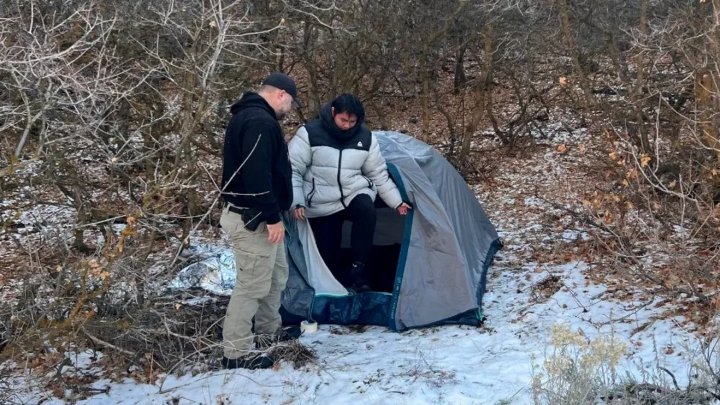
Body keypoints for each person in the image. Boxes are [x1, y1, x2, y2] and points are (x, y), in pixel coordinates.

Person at [219, 72, 302, 370]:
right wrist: (271, 216)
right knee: (252, 285)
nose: (289, 109)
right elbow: (256, 177)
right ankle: (235, 353)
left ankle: (268, 333)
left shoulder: (254, 117)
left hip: (263, 217)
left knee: (276, 276)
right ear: (280, 94)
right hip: (253, 219)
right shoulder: (259, 122)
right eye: (290, 102)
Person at [288, 94, 411, 292]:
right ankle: (335, 280)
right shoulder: (309, 134)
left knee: (366, 210)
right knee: (328, 248)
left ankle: (358, 267)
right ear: (333, 113)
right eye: (343, 120)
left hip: (353, 192)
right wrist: (297, 201)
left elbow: (377, 173)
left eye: (352, 122)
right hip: (321, 199)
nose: (347, 126)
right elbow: (292, 169)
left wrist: (397, 202)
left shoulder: (366, 137)